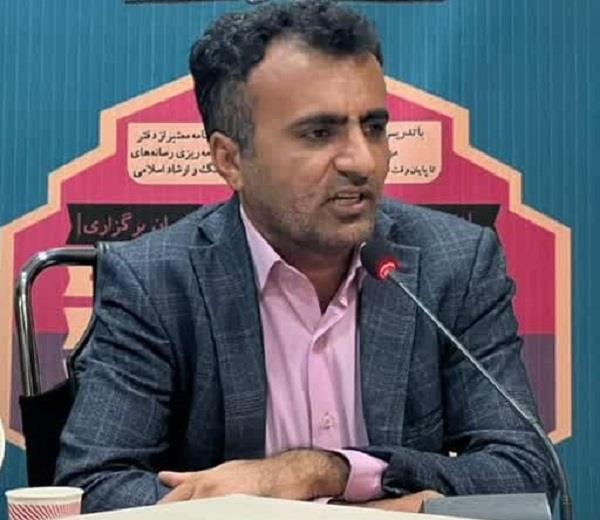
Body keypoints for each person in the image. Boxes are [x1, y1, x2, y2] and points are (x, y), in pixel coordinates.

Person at [55, 0, 558, 513]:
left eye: (374, 127)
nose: (362, 161)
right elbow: (95, 489)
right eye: (319, 133)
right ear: (231, 159)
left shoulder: (454, 263)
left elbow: (527, 473)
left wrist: (326, 470)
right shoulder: (156, 281)